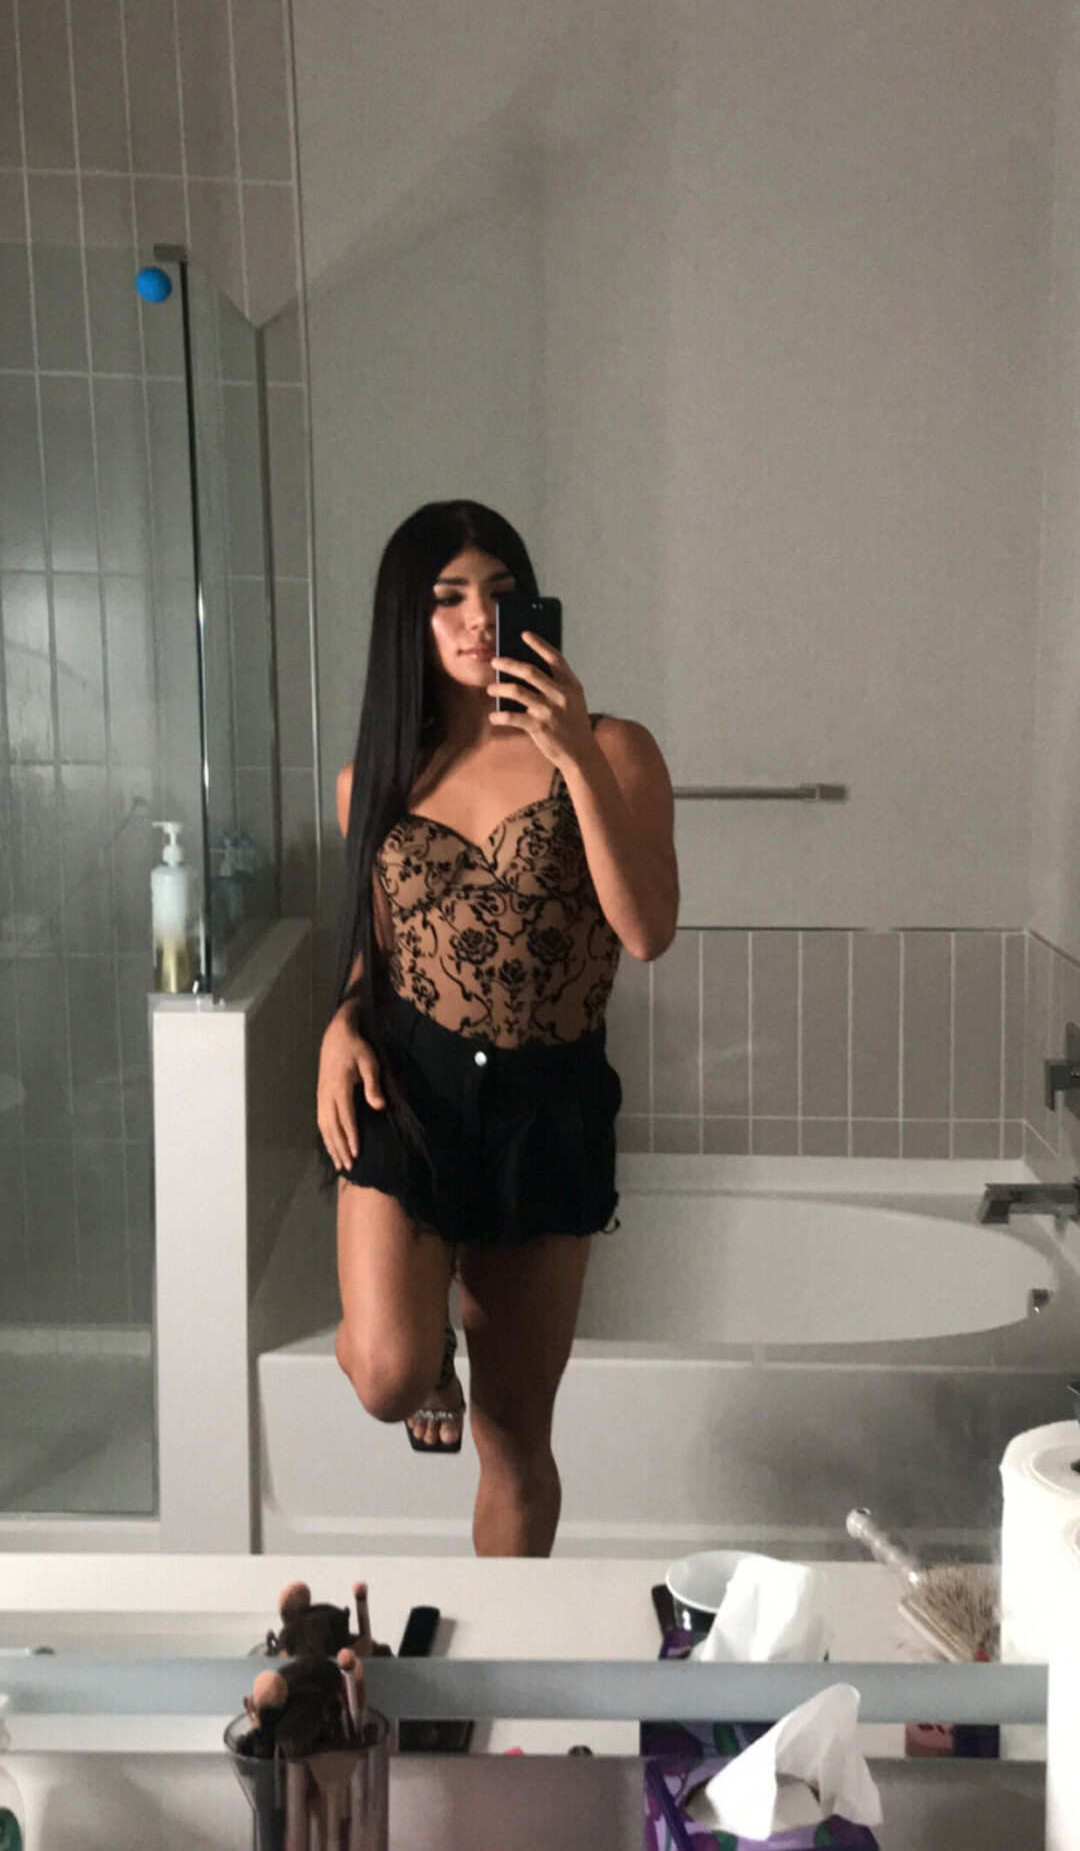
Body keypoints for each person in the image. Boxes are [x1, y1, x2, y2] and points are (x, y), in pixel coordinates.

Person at [317, 499, 678, 1556]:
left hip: (543, 1109)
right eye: (448, 597)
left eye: (499, 593)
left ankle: (507, 1651)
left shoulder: (614, 748)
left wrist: (573, 754)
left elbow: (647, 931)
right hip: (410, 1089)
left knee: (514, 1443)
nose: (479, 617)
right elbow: (379, 954)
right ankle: (428, 1352)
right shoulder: (372, 781)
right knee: (387, 1376)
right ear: (408, 619)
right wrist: (340, 1022)